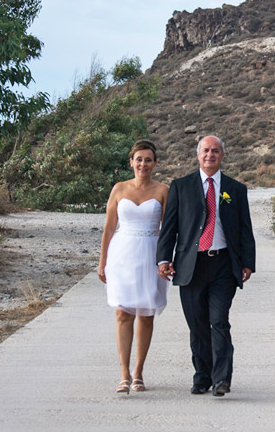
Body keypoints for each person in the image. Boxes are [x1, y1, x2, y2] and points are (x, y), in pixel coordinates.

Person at [156, 135, 255, 396]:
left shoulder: (236, 189)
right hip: (191, 265)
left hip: (223, 264)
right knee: (197, 324)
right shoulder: (180, 186)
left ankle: (222, 378)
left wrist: (248, 263)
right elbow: (170, 228)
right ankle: (202, 376)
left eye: (215, 151)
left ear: (222, 156)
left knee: (219, 321)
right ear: (198, 155)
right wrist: (164, 259)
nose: (210, 155)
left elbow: (245, 229)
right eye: (205, 151)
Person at [98, 140, 169, 394]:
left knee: (146, 314)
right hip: (123, 255)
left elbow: (169, 230)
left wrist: (167, 260)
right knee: (122, 313)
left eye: (148, 160)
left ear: (155, 163)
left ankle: (139, 372)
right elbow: (108, 227)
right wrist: (102, 261)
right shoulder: (119, 189)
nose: (143, 164)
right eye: (138, 159)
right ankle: (123, 373)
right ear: (131, 162)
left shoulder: (163, 190)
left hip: (151, 254)